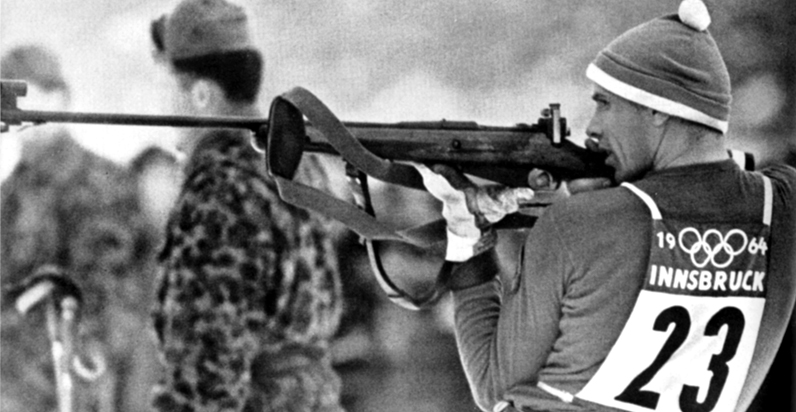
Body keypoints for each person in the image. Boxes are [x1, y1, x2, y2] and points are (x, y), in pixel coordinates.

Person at [415, 1, 796, 411]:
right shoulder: (782, 206)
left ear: (657, 107)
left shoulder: (573, 225)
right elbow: (714, 182)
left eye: (605, 103)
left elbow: (493, 388)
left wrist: (466, 230)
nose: (593, 128)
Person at [147, 0, 344, 411]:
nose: (160, 105)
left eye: (165, 86)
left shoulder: (219, 189)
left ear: (201, 94)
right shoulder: (297, 165)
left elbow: (205, 378)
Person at [1, 45, 159, 412]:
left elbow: (111, 300)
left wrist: (83, 370)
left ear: (58, 98)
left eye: (20, 92)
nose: (8, 107)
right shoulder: (10, 194)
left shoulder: (102, 184)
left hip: (68, 385)